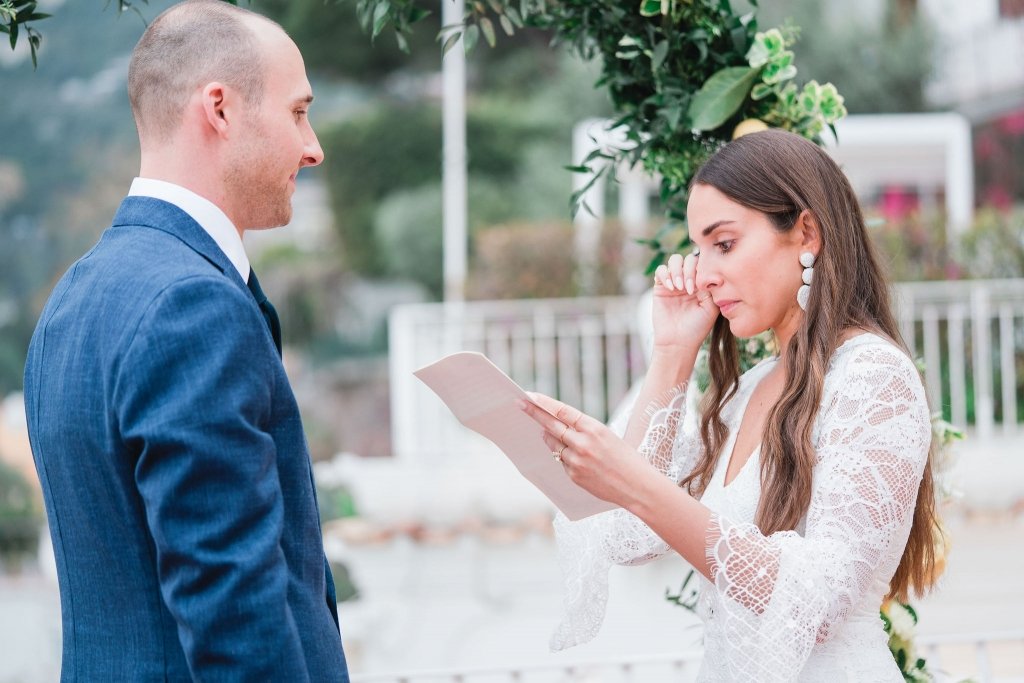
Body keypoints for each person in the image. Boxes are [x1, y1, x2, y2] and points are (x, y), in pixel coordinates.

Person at [519, 128, 939, 681]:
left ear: (806, 233)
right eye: (699, 250)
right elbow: (623, 534)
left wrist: (633, 480)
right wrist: (671, 352)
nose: (707, 273)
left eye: (724, 244)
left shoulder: (871, 376)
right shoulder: (744, 394)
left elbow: (817, 603)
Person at [23, 1, 349, 680]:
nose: (313, 145)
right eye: (297, 111)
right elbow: (234, 610)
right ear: (221, 110)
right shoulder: (193, 305)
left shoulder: (74, 297)